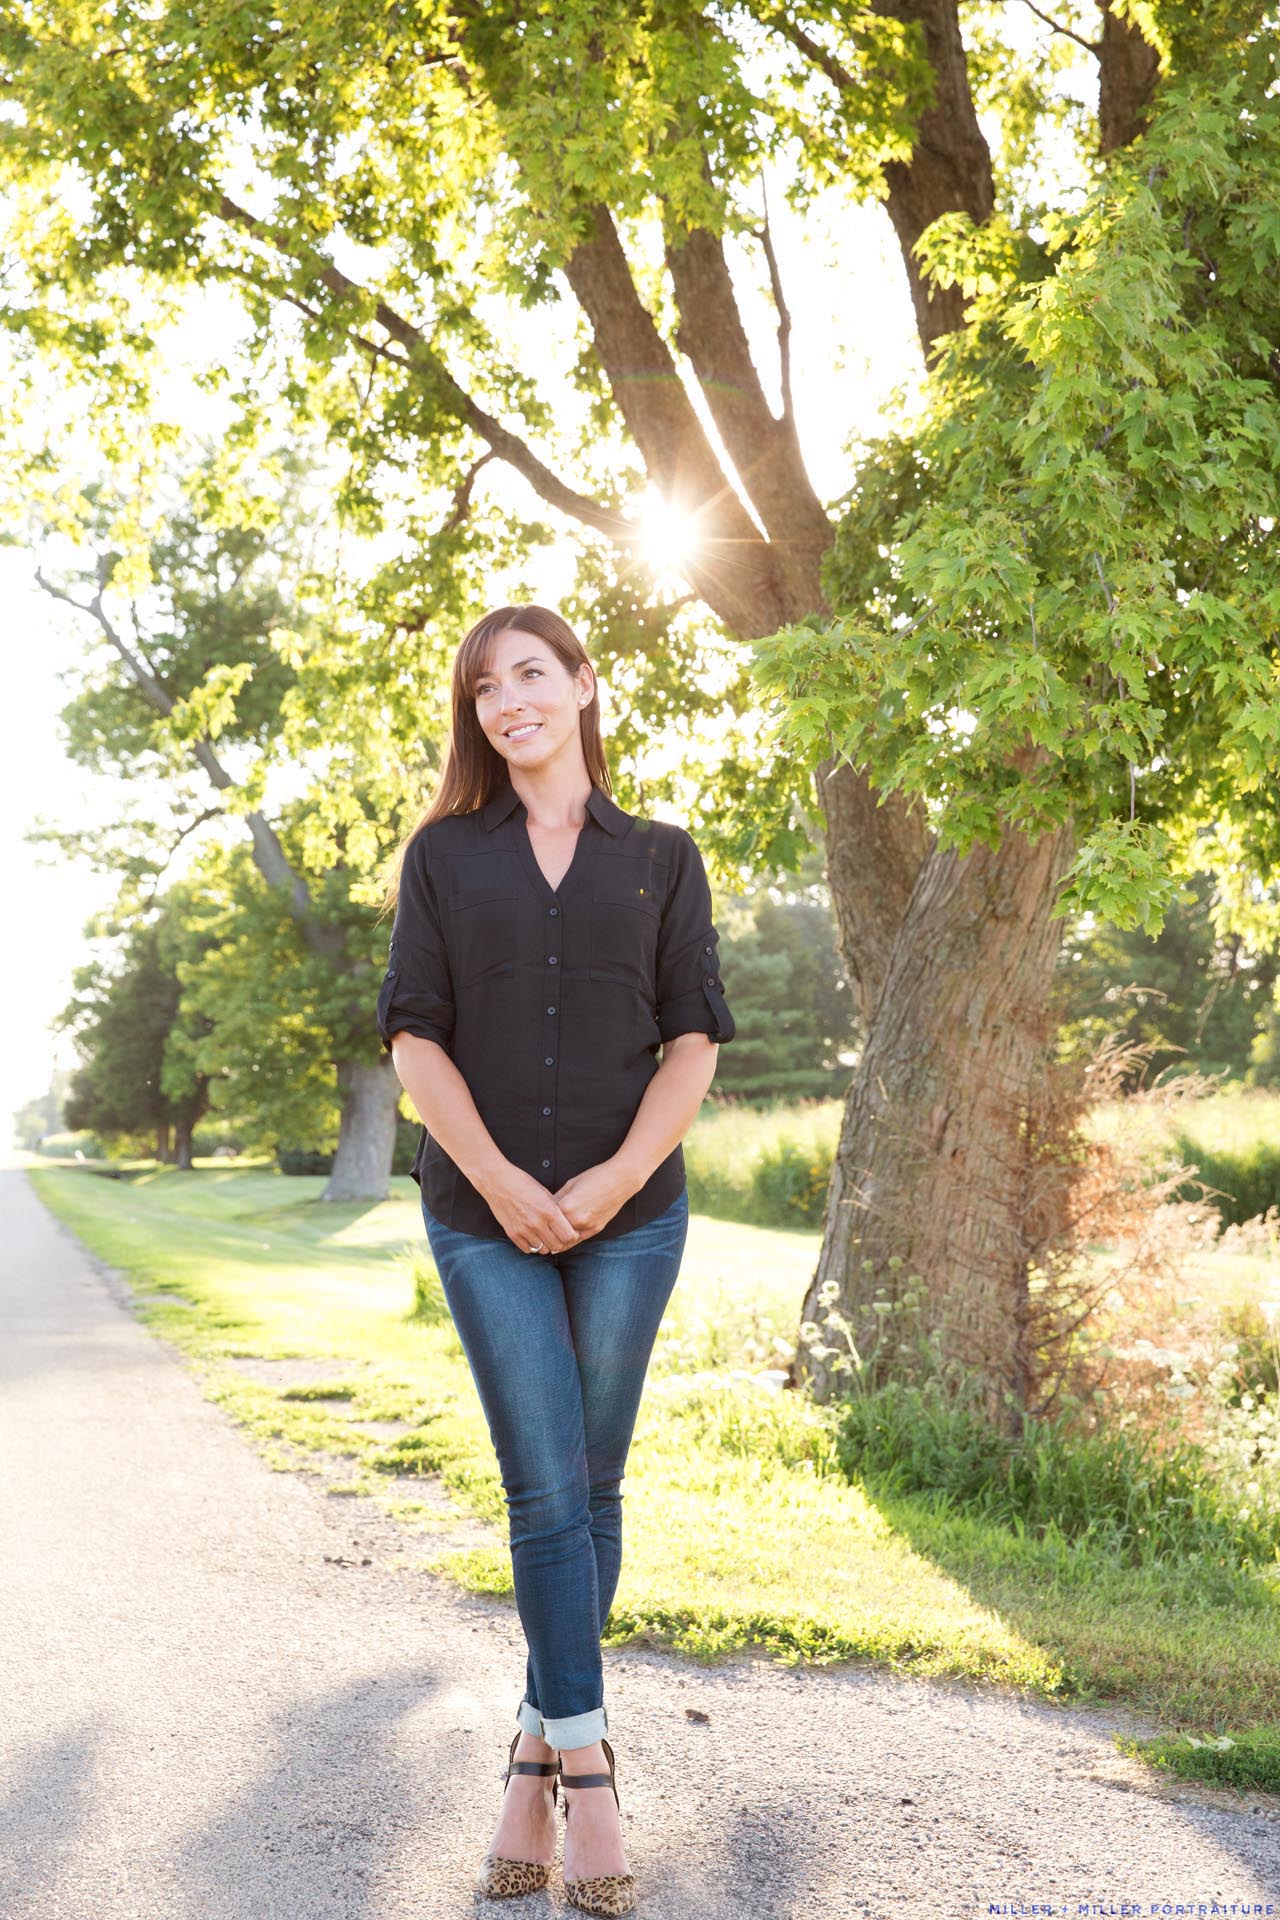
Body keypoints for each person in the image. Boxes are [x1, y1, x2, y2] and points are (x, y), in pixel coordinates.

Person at [375, 604, 736, 1914]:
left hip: (631, 1215)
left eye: (532, 674)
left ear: (585, 686)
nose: (509, 700)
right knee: (544, 1488)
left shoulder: (663, 859)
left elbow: (693, 1041)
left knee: (594, 1479)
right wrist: (510, 1187)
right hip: (484, 1222)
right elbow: (416, 1042)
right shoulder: (443, 860)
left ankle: (529, 1755)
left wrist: (610, 1180)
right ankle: (590, 1774)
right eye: (485, 689)